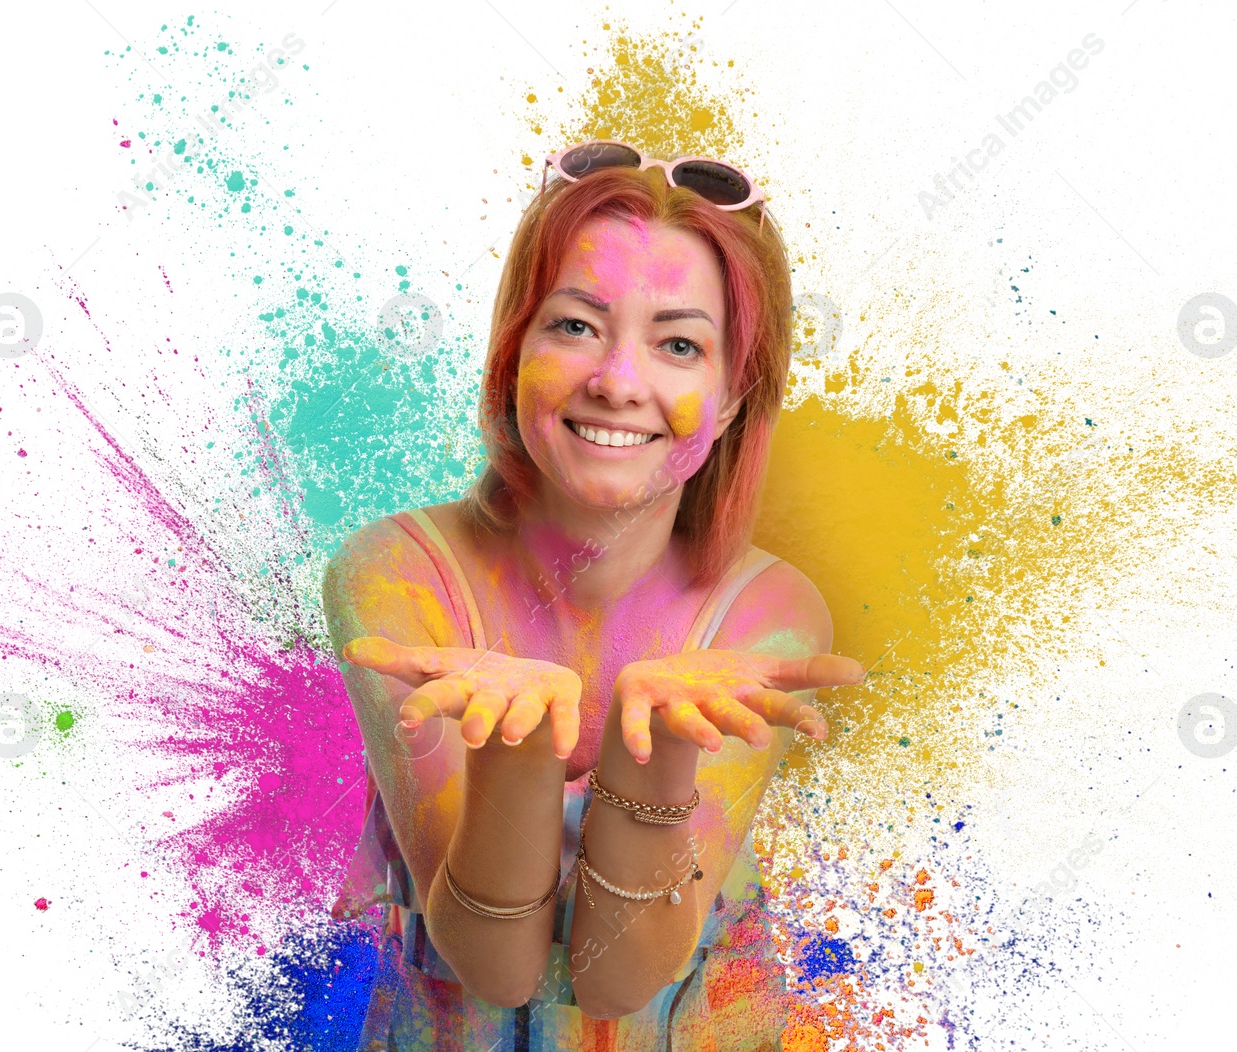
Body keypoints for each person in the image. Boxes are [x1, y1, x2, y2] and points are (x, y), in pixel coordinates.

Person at [323, 141, 866, 1050]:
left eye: (680, 344)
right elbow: (493, 968)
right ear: (513, 351)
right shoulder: (394, 576)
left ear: (732, 396)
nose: (617, 382)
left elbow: (618, 980)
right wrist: (519, 753)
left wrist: (647, 757)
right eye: (575, 325)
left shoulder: (767, 620)